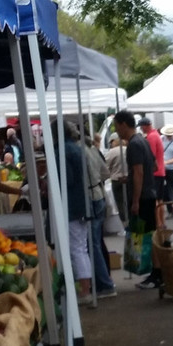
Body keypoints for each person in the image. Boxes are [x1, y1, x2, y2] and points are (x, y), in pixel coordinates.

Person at [114, 110, 163, 290]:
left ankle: (157, 273)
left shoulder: (134, 144)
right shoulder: (143, 140)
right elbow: (153, 166)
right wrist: (131, 177)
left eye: (116, 126)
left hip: (143, 196)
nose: (116, 130)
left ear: (123, 124)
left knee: (148, 235)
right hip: (149, 192)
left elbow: (140, 172)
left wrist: (135, 200)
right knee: (151, 233)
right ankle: (157, 272)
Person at [60, 122, 93, 306]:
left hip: (72, 205)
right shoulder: (77, 148)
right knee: (82, 248)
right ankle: (86, 288)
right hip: (82, 203)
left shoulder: (64, 151)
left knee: (77, 249)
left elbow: (67, 179)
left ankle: (84, 290)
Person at [84, 136, 117, 298]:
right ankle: (105, 279)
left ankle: (104, 282)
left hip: (90, 198)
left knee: (92, 243)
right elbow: (106, 173)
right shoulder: (93, 151)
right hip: (99, 195)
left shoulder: (79, 152)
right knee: (97, 241)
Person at [138, 116, 166, 227]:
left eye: (141, 127)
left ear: (146, 126)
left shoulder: (151, 137)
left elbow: (151, 157)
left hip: (155, 173)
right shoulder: (156, 135)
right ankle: (162, 222)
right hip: (161, 171)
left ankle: (158, 223)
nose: (141, 129)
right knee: (160, 199)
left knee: (154, 200)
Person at [105, 132, 128, 226]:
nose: (111, 144)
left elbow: (105, 166)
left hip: (116, 180)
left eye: (111, 142)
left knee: (120, 203)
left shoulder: (112, 152)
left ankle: (125, 223)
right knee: (129, 202)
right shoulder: (128, 149)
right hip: (129, 179)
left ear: (115, 141)